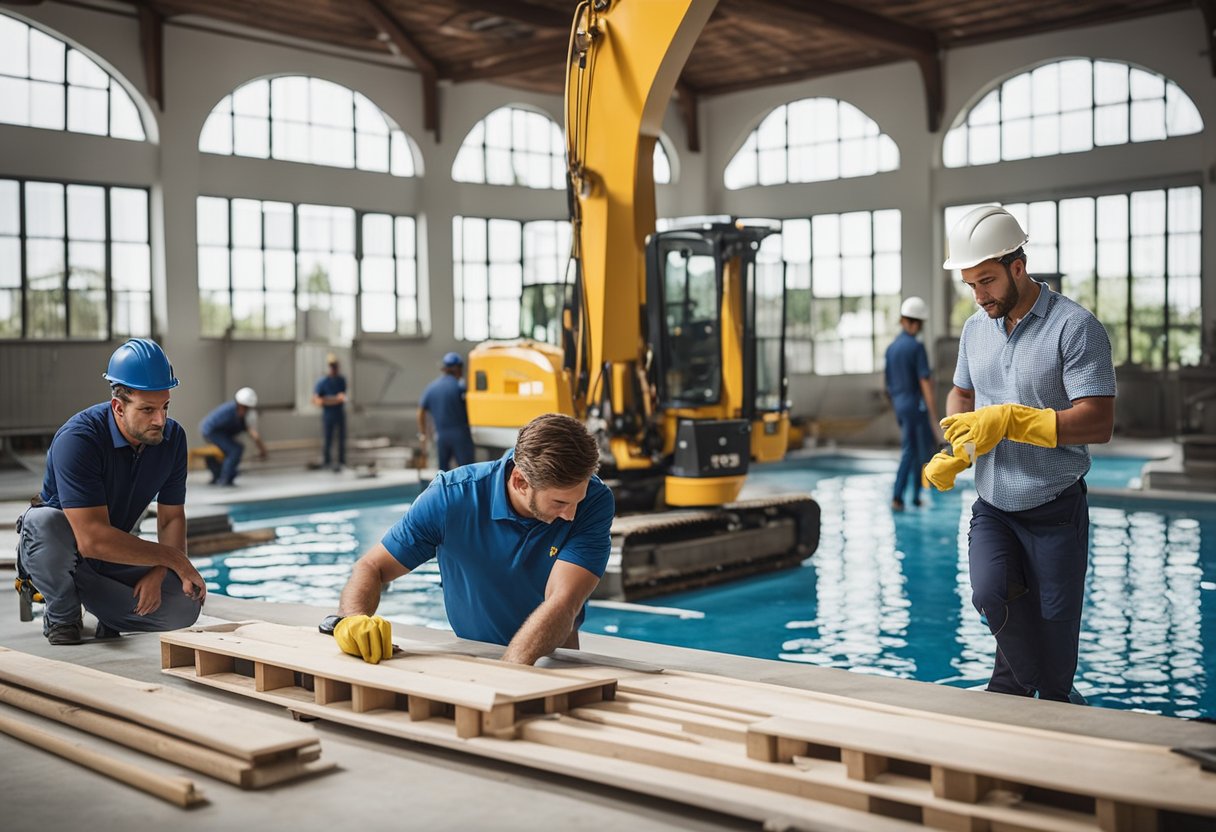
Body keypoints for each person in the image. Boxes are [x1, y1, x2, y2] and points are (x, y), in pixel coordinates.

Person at [924, 205, 1115, 703]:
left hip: (1054, 510)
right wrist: (960, 444)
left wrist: (1012, 420)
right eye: (969, 284)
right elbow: (961, 395)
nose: (978, 294)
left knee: (1055, 638)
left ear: (1018, 266)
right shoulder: (974, 330)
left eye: (985, 280)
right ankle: (1031, 688)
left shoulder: (1075, 327)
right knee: (989, 594)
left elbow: (1098, 421)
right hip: (994, 507)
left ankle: (1037, 697)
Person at [320, 413, 614, 666]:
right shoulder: (451, 499)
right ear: (520, 482)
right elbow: (373, 566)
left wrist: (511, 670)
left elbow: (563, 601)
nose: (571, 515)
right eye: (560, 502)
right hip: (470, 658)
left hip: (554, 663)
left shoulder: (595, 503)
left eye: (579, 499)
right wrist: (354, 619)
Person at [16, 338, 206, 645]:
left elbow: (170, 519)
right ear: (118, 406)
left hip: (111, 551)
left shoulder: (172, 440)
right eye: (147, 409)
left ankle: (107, 612)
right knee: (44, 523)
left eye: (165, 407)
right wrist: (175, 560)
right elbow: (91, 539)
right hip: (61, 548)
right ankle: (62, 612)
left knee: (183, 608)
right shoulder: (79, 440)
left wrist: (160, 571)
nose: (160, 420)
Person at [884, 296, 941, 511]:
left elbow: (887, 385)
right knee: (912, 451)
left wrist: (899, 405)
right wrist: (933, 415)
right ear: (915, 323)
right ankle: (898, 497)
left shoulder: (891, 349)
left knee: (916, 450)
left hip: (900, 406)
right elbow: (925, 382)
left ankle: (915, 497)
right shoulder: (916, 348)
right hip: (915, 406)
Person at [417, 351, 475, 471]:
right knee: (467, 471)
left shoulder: (431, 388)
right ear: (457, 368)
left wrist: (423, 434)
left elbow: (421, 411)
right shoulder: (460, 387)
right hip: (460, 435)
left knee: (443, 473)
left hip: (441, 436)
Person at [199, 387, 268, 486]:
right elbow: (254, 435)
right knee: (235, 449)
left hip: (218, 432)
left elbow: (253, 434)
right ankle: (225, 479)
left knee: (230, 449)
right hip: (211, 431)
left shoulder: (244, 414)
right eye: (243, 407)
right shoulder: (230, 411)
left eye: (246, 407)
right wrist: (263, 450)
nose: (244, 410)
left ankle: (219, 475)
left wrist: (262, 450)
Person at [312, 353, 347, 472]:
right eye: (332, 366)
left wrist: (326, 400)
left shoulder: (341, 380)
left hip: (339, 414)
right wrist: (334, 400)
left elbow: (341, 398)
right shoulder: (322, 382)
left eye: (335, 366)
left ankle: (342, 462)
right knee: (327, 439)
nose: (334, 369)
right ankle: (327, 462)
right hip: (328, 415)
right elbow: (317, 400)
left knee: (341, 439)